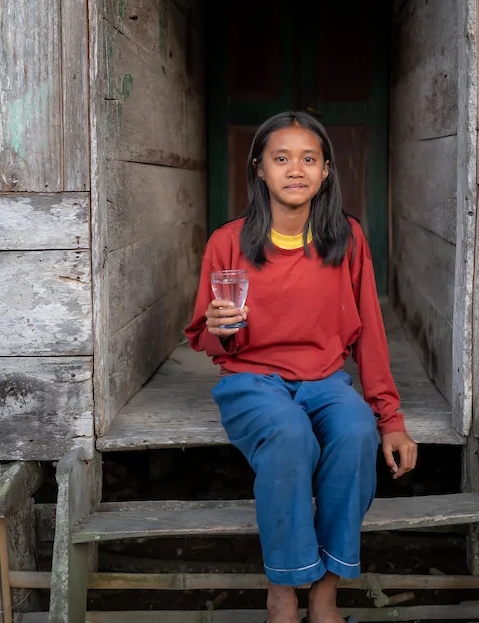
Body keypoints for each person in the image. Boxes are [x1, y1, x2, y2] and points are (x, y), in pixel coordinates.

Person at [185, 111, 418, 623]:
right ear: (259, 170)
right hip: (251, 380)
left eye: (308, 158)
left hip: (325, 378)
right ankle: (284, 594)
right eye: (281, 158)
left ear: (326, 170)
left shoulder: (347, 239)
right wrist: (220, 327)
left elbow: (371, 334)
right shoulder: (228, 242)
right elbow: (204, 337)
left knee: (355, 431)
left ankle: (326, 593)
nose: (296, 169)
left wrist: (390, 418)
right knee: (291, 437)